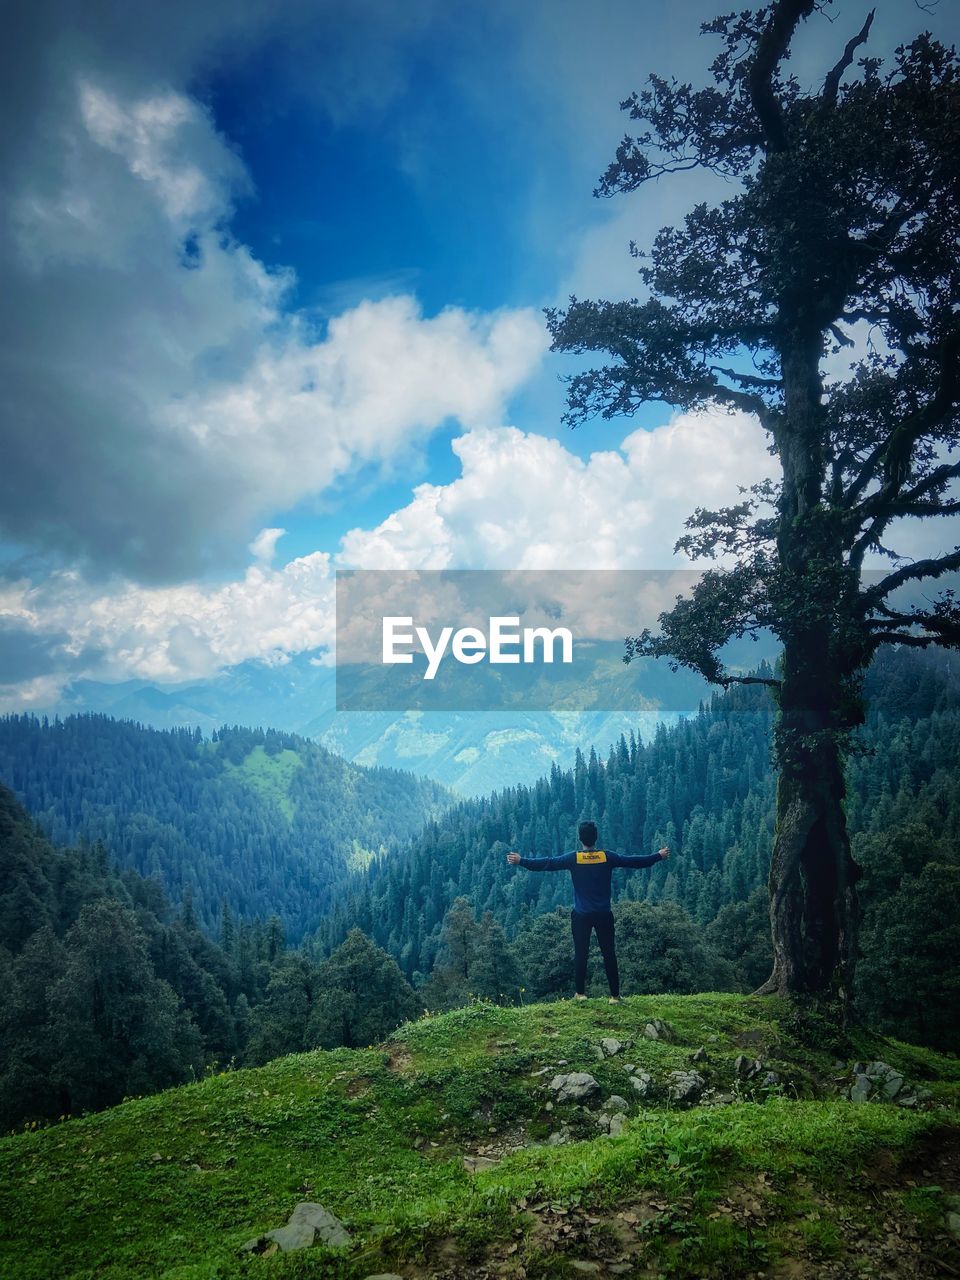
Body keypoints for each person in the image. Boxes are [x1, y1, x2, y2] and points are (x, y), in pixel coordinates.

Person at [507, 820, 670, 1003]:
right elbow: (634, 861)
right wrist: (658, 856)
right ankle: (615, 996)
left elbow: (547, 864)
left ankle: (581, 994)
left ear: (580, 839)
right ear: (596, 838)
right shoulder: (607, 857)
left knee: (581, 953)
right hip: (604, 914)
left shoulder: (574, 858)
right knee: (609, 953)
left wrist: (521, 861)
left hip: (581, 915)